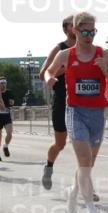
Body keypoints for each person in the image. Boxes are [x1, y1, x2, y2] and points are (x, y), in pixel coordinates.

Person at [44, 12, 108, 213]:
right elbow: (48, 71)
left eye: (93, 32)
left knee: (87, 165)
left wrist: (106, 71)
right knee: (84, 159)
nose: (90, 36)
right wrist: (50, 78)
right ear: (75, 31)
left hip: (97, 114)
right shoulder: (66, 55)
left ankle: (73, 191)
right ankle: (92, 212)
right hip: (75, 112)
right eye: (85, 32)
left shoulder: (104, 53)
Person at [38, 15, 76, 189]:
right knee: (60, 143)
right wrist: (67, 67)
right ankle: (49, 166)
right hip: (62, 101)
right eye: (73, 24)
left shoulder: (88, 49)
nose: (77, 26)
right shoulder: (60, 49)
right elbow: (43, 73)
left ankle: (84, 185)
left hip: (82, 103)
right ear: (66, 28)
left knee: (83, 146)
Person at [0, 77, 15, 161]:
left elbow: (12, 103)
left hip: (7, 116)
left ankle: (5, 146)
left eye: (5, 83)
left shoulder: (9, 92)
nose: (3, 85)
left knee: (9, 133)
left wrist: (11, 103)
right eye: (1, 83)